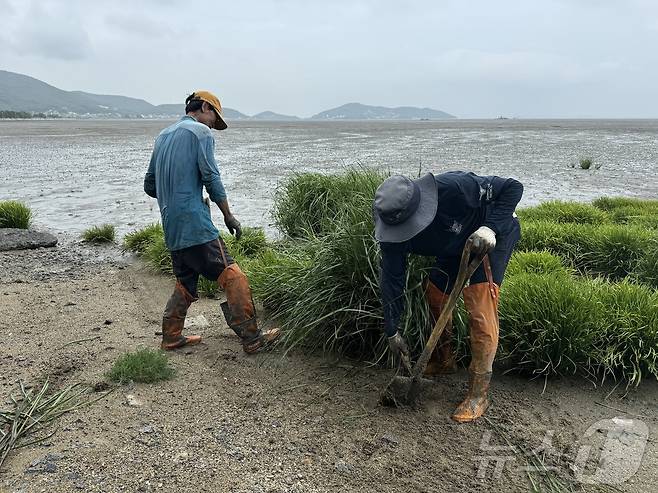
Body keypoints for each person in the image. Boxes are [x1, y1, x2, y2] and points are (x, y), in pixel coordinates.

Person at [373, 171, 522, 422]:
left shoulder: (455, 188)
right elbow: (392, 278)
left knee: (479, 305)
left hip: (489, 236)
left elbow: (512, 187)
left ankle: (479, 393)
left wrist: (489, 228)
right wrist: (392, 329)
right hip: (453, 246)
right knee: (434, 292)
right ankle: (444, 360)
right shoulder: (389, 221)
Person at [144, 90, 280, 353]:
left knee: (186, 281)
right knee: (232, 275)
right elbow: (211, 177)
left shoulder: (162, 136)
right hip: (195, 222)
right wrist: (228, 215)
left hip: (171, 224)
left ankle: (171, 336)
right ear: (204, 107)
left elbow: (150, 185)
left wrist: (176, 193)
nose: (212, 127)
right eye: (212, 119)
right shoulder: (200, 133)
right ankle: (252, 338)